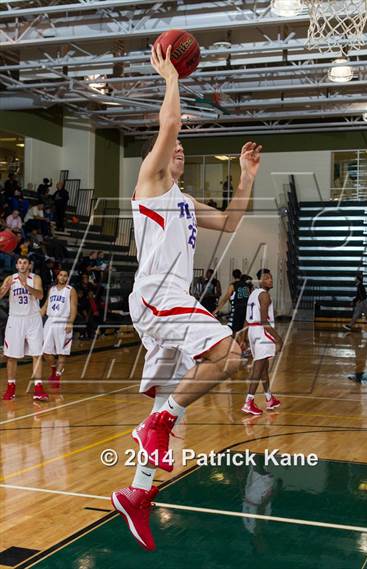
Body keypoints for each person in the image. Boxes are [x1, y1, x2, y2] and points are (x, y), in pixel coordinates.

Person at [111, 43, 262, 552]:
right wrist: (171, 77)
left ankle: (138, 492)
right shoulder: (150, 182)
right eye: (171, 146)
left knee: (165, 400)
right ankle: (159, 421)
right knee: (230, 355)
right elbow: (170, 126)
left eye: (181, 150)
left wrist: (246, 177)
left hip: (170, 297)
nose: (177, 150)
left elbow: (232, 221)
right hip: (156, 294)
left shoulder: (184, 201)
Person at [0, 256, 48, 401]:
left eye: (25, 262)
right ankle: (11, 388)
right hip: (15, 320)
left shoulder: (36, 278)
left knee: (37, 354)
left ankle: (38, 388)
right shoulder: (10, 278)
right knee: (12, 356)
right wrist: (4, 289)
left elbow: (40, 295)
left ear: (29, 265)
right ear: (16, 265)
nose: (22, 265)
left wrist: (26, 286)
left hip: (33, 319)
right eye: (20, 262)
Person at [241, 269, 282, 415]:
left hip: (253, 331)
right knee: (258, 368)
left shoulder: (253, 294)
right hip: (261, 332)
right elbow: (265, 321)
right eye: (267, 278)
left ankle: (269, 398)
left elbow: (246, 319)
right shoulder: (265, 296)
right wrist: (278, 338)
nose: (270, 280)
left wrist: (243, 338)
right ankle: (249, 402)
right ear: (260, 281)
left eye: (271, 277)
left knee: (264, 366)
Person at [41, 270, 77, 388]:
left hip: (63, 321)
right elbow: (46, 305)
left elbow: (73, 307)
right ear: (57, 276)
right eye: (61, 275)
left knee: (62, 352)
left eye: (65, 275)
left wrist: (70, 322)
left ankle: (57, 376)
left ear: (67, 278)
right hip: (50, 320)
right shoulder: (51, 289)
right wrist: (36, 318)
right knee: (46, 352)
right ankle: (53, 369)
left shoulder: (70, 290)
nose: (62, 277)